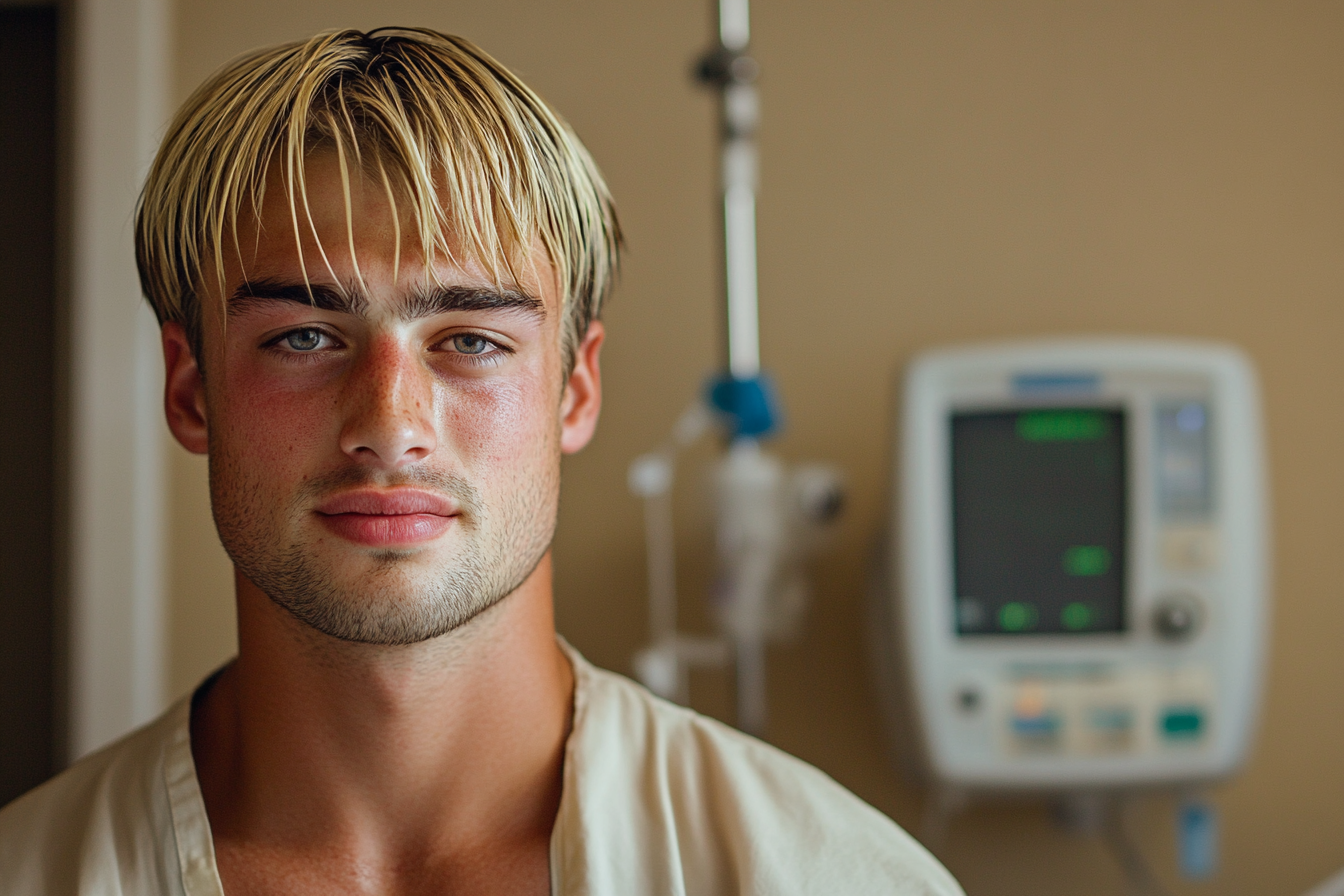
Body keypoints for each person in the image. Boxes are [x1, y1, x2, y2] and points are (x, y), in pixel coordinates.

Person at [0, 27, 962, 896]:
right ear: (190, 388)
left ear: (575, 391)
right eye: (303, 337)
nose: (389, 424)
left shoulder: (829, 875)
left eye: (471, 339)